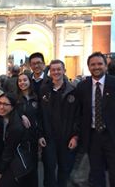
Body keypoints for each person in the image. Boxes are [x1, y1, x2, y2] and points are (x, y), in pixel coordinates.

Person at [76, 52, 115, 187]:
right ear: (88, 67)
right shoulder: (82, 87)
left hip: (112, 136)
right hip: (93, 137)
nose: (96, 67)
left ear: (106, 66)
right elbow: (79, 112)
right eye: (93, 64)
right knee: (96, 173)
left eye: (99, 64)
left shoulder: (114, 83)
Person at [39, 59, 80, 187]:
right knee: (49, 170)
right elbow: (39, 115)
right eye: (53, 70)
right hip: (49, 137)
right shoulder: (44, 90)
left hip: (67, 138)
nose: (56, 72)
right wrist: (40, 134)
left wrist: (76, 136)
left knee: (64, 170)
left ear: (64, 71)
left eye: (58, 69)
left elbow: (78, 115)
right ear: (50, 72)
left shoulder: (73, 90)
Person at [0, 93, 37, 187]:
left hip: (19, 158)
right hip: (7, 156)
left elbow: (9, 150)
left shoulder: (16, 126)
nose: (1, 107)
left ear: (12, 107)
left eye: (5, 104)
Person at [16, 72, 40, 186]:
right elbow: (10, 111)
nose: (22, 83)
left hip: (33, 135)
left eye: (25, 80)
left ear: (29, 81)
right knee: (22, 164)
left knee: (33, 164)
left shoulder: (36, 97)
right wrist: (21, 115)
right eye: (20, 81)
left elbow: (41, 116)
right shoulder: (15, 98)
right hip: (20, 137)